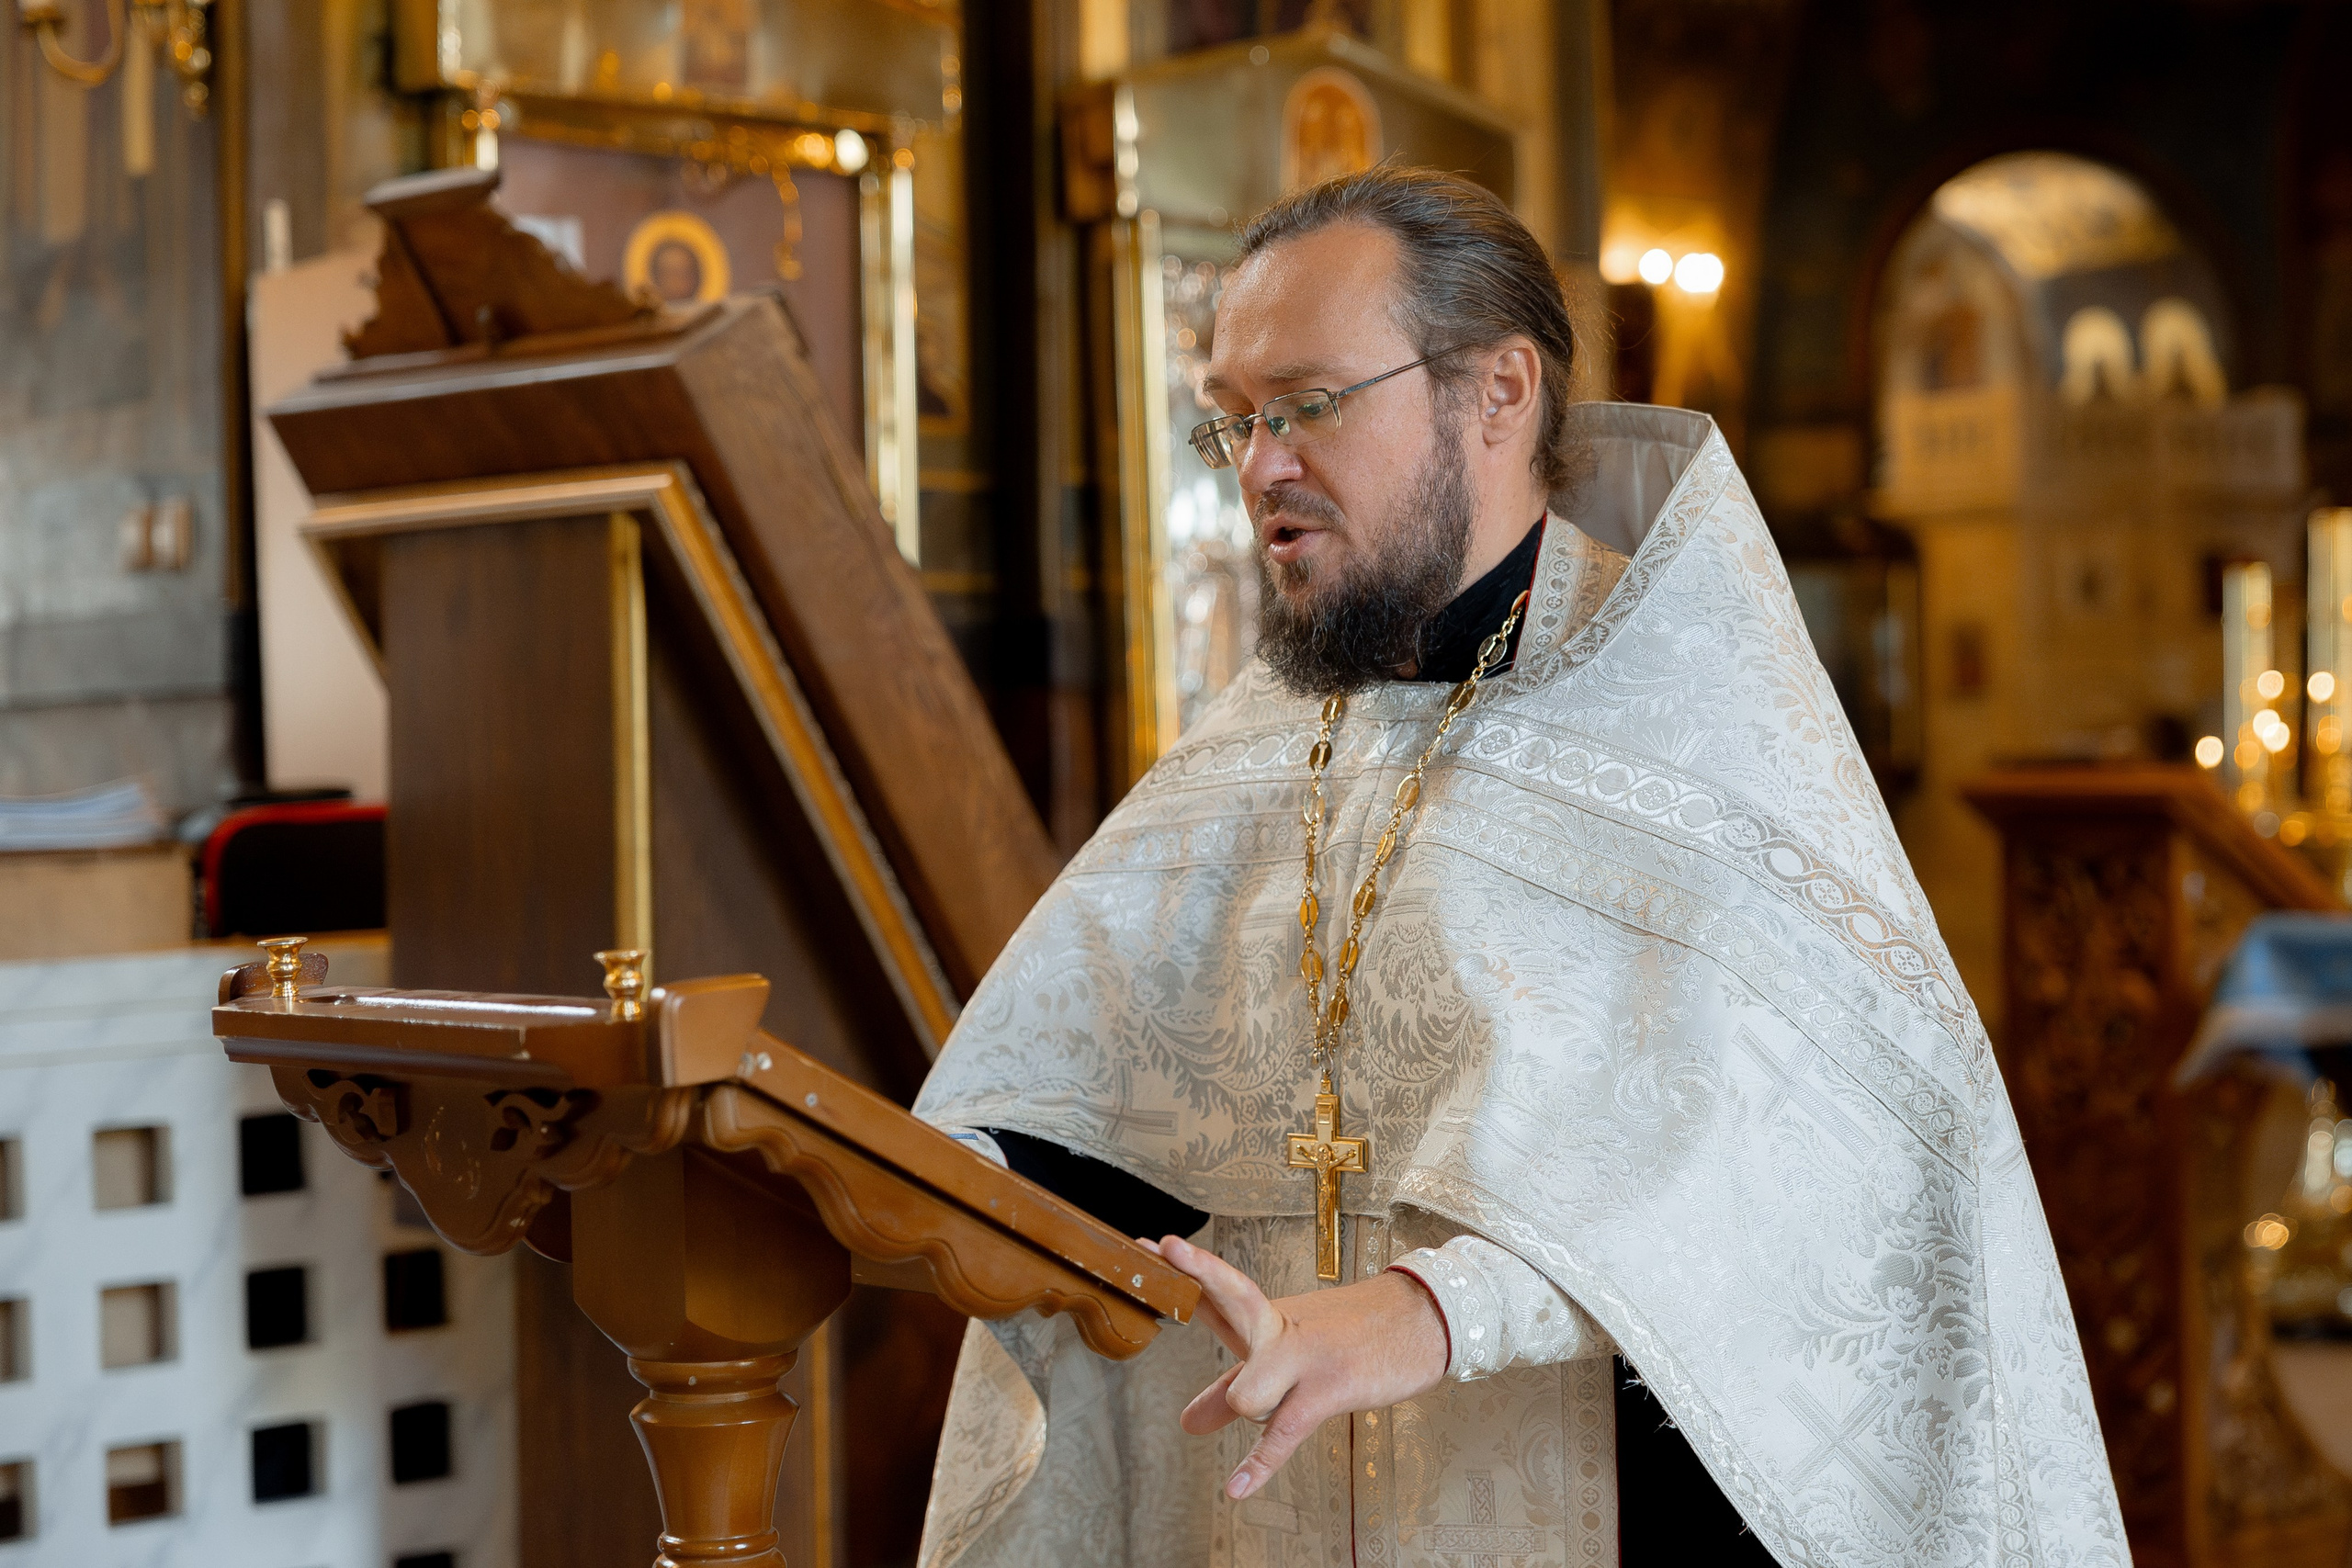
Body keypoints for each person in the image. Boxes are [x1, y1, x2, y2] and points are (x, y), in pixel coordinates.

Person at [913, 165, 2126, 1568]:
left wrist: (1428, 1314)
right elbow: (1077, 1093)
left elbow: (1819, 1187)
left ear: (1499, 393)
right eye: (1233, 423)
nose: (1257, 467)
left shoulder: (1697, 724)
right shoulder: (1258, 749)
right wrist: (937, 1175)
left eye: (1304, 405)